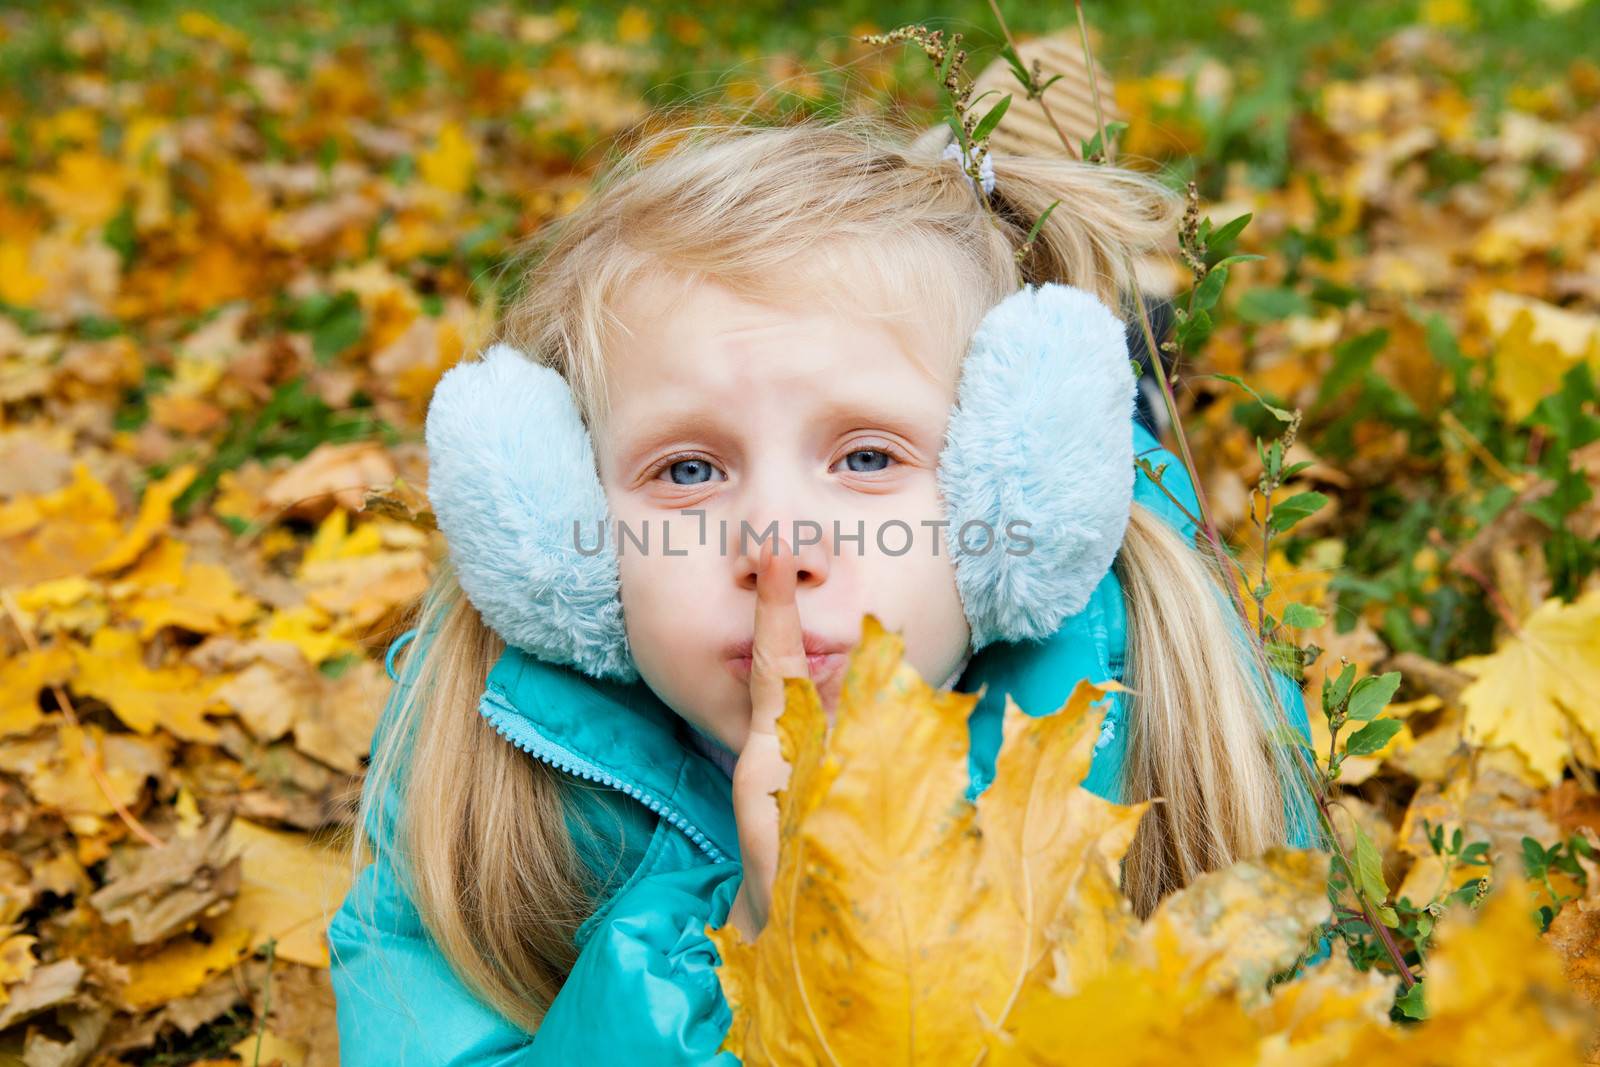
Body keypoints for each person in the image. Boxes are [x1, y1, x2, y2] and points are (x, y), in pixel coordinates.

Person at [326, 114, 1326, 1065]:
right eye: (687, 470)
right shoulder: (482, 766)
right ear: (563, 534)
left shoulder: (1150, 695)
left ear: (1004, 503)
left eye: (864, 455)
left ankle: (1121, 376)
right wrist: (745, 946)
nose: (775, 542)